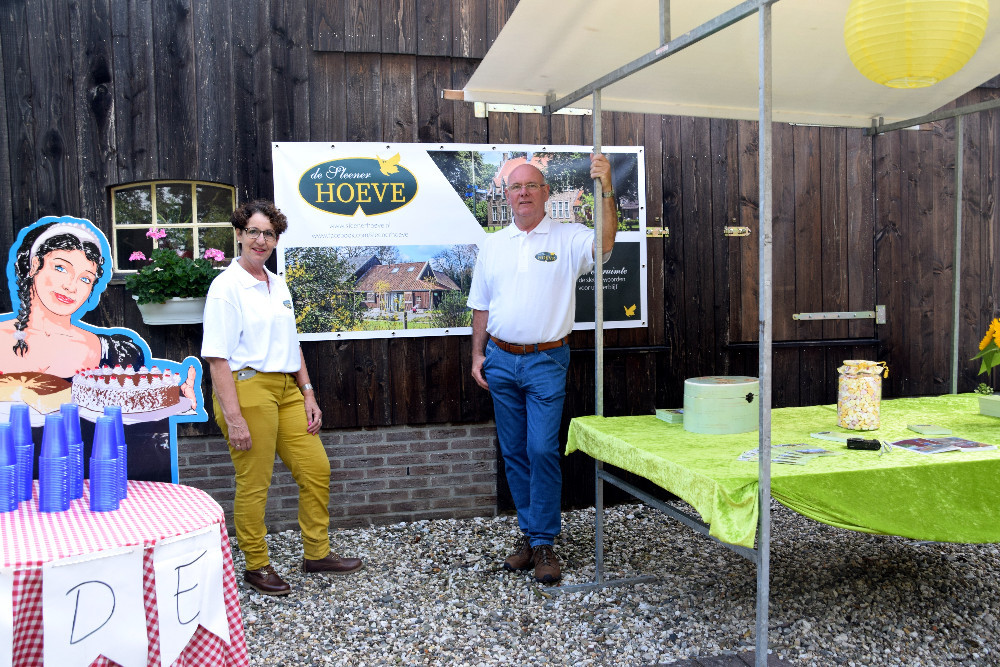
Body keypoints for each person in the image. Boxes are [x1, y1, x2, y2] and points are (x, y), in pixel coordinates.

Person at [467, 153, 617, 584]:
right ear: (507, 196)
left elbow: (605, 245)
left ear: (546, 193)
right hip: (499, 359)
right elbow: (481, 305)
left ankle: (544, 540)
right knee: (514, 453)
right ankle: (533, 538)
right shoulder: (493, 245)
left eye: (532, 185)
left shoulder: (569, 237)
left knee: (541, 450)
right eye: (516, 187)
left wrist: (606, 188)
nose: (524, 193)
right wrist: (477, 355)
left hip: (546, 360)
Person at [202, 199, 363, 596]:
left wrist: (308, 392)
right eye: (254, 232)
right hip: (246, 387)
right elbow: (217, 358)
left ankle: (317, 553)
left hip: (287, 389)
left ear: (276, 240)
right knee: (255, 481)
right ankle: (256, 565)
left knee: (316, 469)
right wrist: (234, 418)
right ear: (239, 234)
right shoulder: (226, 287)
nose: (261, 240)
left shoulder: (278, 284)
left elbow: (292, 344)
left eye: (269, 234)